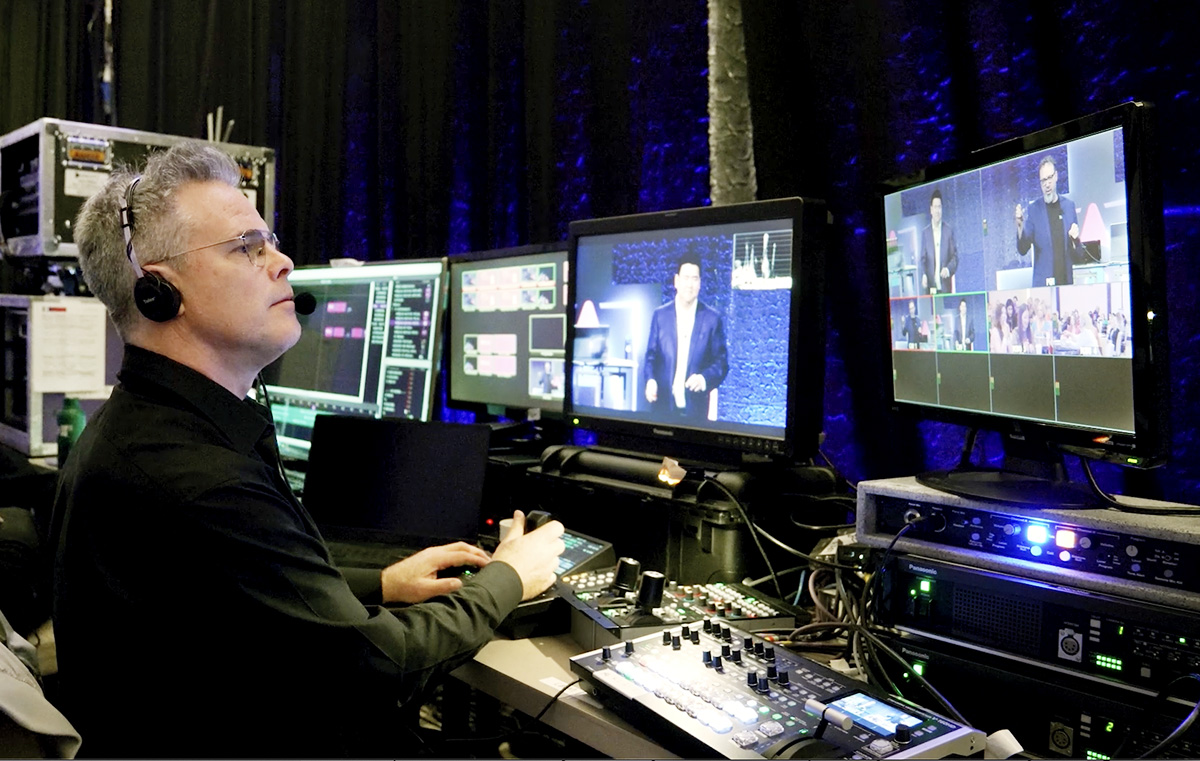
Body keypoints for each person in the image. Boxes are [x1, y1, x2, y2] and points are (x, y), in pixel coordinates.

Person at [50, 142, 566, 758]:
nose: (284, 262)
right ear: (161, 292)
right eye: (248, 247)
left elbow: (231, 590)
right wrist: (510, 576)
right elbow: (377, 671)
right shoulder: (196, 479)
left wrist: (382, 581)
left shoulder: (146, 429)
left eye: (270, 241)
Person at [643, 252, 728, 422]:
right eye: (686, 278)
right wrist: (650, 380)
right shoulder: (660, 316)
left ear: (700, 283)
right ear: (676, 281)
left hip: (695, 414)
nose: (690, 284)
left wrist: (703, 379)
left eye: (695, 279)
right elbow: (650, 357)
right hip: (662, 410)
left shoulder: (712, 319)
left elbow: (721, 363)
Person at [1015, 155, 1085, 286]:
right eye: (1043, 181)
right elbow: (1023, 249)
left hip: (1066, 285)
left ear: (1056, 176)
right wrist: (1020, 226)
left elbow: (1079, 255)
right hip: (1044, 287)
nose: (1047, 184)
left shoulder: (1069, 206)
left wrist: (1075, 239)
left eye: (1049, 178)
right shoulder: (1034, 210)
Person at [920, 189, 958, 295]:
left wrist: (948, 269)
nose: (937, 211)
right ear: (931, 209)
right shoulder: (925, 233)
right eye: (935, 207)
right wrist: (924, 274)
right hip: (930, 289)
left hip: (945, 288)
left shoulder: (948, 231)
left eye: (939, 207)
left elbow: (955, 258)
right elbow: (923, 259)